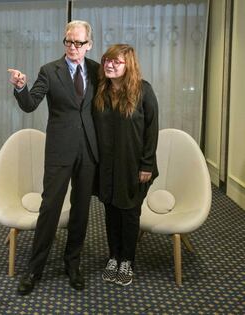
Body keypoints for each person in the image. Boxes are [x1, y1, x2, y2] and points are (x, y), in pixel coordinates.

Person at [8, 20, 99, 295]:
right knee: (49, 210)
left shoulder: (97, 70)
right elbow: (29, 104)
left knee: (81, 211)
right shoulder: (49, 70)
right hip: (60, 150)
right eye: (68, 41)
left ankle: (73, 264)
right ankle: (35, 269)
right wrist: (21, 86)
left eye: (79, 43)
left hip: (89, 151)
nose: (73, 47)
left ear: (89, 45)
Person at [93, 44, 159, 286]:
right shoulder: (101, 91)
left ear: (128, 65)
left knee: (129, 213)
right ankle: (113, 256)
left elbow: (152, 130)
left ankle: (127, 261)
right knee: (111, 212)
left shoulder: (143, 91)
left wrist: (147, 165)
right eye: (106, 61)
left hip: (134, 166)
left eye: (116, 62)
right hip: (107, 166)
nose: (109, 65)